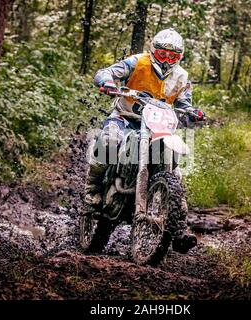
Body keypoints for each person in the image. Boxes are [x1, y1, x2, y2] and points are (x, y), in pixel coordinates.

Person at [84, 28, 205, 253]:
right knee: (109, 141)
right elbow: (106, 72)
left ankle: (178, 227)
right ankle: (92, 189)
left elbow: (184, 103)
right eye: (162, 54)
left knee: (175, 169)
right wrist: (108, 83)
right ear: (153, 51)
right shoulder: (137, 62)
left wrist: (192, 112)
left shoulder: (181, 76)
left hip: (159, 126)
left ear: (180, 57)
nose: (167, 59)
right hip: (126, 118)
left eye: (173, 56)